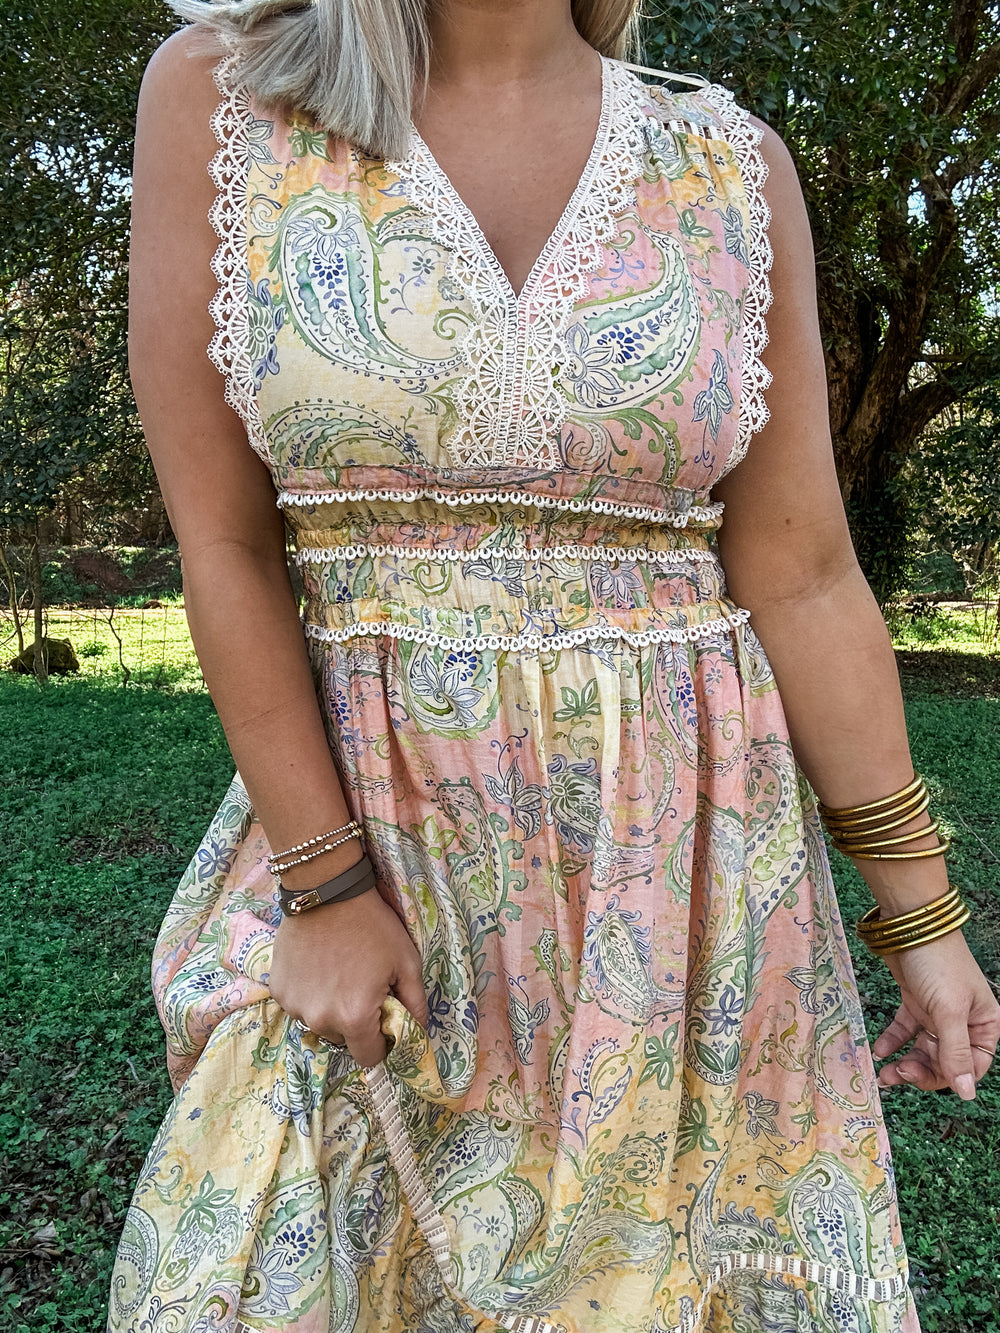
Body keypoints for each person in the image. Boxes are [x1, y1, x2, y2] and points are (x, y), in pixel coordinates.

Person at [110, 1, 999, 1330]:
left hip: (694, 905)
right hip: (375, 870)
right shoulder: (228, 99)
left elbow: (804, 574)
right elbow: (224, 541)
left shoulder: (729, 167)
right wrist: (326, 885)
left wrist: (923, 922)